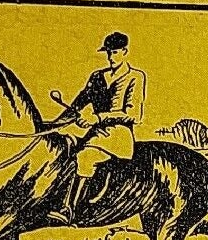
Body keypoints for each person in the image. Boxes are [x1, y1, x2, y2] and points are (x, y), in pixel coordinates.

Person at [59, 32, 147, 218]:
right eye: (108, 52)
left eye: (114, 52)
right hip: (95, 134)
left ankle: (71, 210)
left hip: (118, 136)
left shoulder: (135, 77)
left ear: (125, 52)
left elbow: (134, 115)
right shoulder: (97, 76)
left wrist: (97, 118)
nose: (110, 57)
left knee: (85, 158)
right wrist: (56, 124)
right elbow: (78, 104)